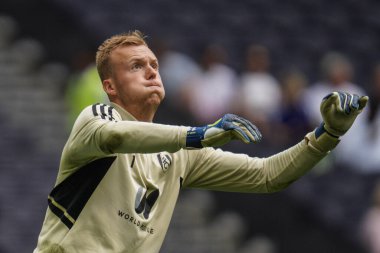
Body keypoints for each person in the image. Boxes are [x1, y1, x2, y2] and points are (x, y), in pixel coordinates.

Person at [33, 31, 368, 253]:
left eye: (154, 65)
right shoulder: (95, 118)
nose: (152, 72)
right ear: (110, 87)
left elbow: (268, 175)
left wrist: (329, 135)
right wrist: (196, 135)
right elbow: (117, 136)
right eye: (137, 66)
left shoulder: (179, 156)